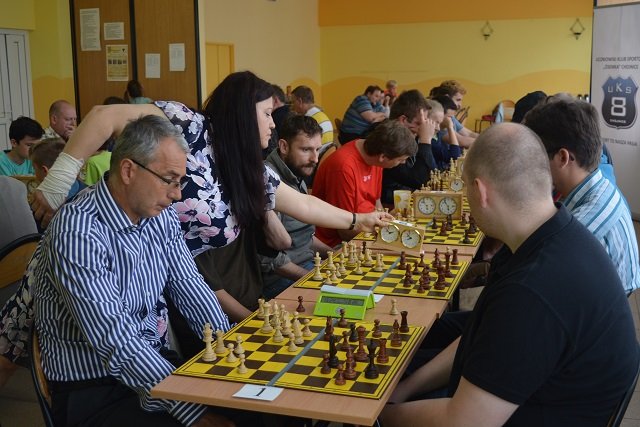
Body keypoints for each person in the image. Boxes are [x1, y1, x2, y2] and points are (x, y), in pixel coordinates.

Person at [29, 71, 391, 322]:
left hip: (170, 289)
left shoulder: (243, 165)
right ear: (242, 113)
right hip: (105, 260)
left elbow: (305, 204)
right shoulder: (187, 124)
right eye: (267, 113)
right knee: (24, 337)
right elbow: (103, 117)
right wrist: (57, 183)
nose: (273, 123)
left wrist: (359, 220)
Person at [380, 123, 639, 427]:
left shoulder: (531, 290)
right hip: (539, 393)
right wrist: (407, 389)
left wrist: (379, 417)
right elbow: (480, 337)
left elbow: (464, 422)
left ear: (480, 192)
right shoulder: (553, 233)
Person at [31, 114, 246, 426]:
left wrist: (226, 345)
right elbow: (114, 339)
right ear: (129, 170)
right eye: (169, 180)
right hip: (95, 388)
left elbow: (188, 284)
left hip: (151, 362)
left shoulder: (160, 215)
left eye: (180, 182)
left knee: (260, 408)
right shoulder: (78, 230)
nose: (176, 194)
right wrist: (193, 413)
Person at [523, 97, 640, 294]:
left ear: (563, 157)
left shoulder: (580, 228)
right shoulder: (596, 181)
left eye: (535, 156)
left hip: (602, 303)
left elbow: (535, 280)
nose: (532, 165)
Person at [313, 119, 417, 247]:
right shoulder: (343, 167)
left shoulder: (375, 158)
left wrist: (389, 221)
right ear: (383, 157)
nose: (403, 163)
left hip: (367, 229)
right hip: (339, 243)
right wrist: (388, 233)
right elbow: (344, 230)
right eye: (401, 160)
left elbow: (376, 203)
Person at [261, 115, 333, 299]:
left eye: (317, 149)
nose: (315, 159)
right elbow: (270, 260)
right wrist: (312, 278)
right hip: (279, 281)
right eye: (306, 149)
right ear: (284, 147)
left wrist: (334, 254)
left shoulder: (295, 170)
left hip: (308, 265)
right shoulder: (268, 181)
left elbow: (304, 236)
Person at [381, 89, 437, 205]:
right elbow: (422, 181)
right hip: (390, 203)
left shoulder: (409, 135)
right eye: (419, 123)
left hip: (404, 195)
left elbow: (432, 176)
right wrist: (425, 140)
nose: (422, 128)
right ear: (403, 120)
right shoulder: (388, 139)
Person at [429, 80, 478, 148]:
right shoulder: (441, 117)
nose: (460, 105)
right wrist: (488, 141)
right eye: (458, 100)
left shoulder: (450, 116)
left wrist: (487, 137)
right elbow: (461, 141)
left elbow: (468, 133)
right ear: (447, 97)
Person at [430, 96, 461, 171]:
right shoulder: (433, 137)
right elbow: (454, 156)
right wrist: (450, 127)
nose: (452, 121)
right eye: (449, 117)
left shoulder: (437, 134)